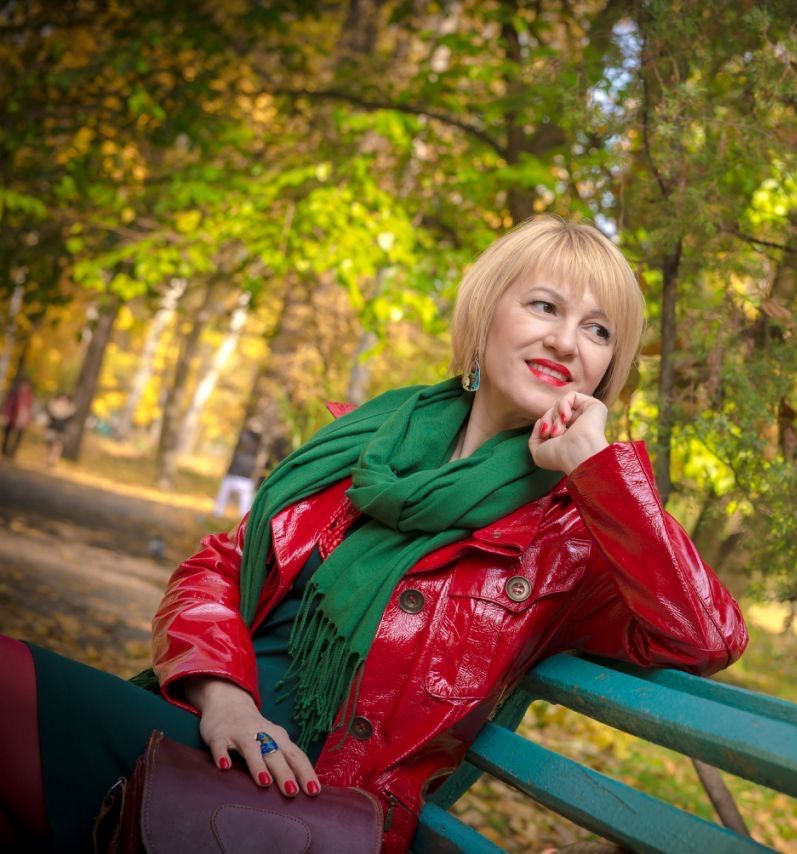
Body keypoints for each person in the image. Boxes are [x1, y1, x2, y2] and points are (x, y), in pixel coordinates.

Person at [0, 216, 748, 852]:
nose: (565, 341)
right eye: (544, 306)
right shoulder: (369, 439)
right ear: (486, 312)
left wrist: (597, 469)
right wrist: (226, 699)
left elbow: (706, 636)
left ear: (608, 367)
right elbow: (219, 567)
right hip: (209, 728)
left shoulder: (571, 535)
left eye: (597, 330)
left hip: (312, 802)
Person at [213, 423, 264, 517]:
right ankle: (219, 513)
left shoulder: (252, 438)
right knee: (240, 499)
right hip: (241, 472)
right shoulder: (256, 440)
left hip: (242, 472)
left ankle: (219, 513)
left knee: (241, 499)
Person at [1, 373, 35, 459]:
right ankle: (5, 450)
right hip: (12, 416)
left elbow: (30, 408)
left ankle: (13, 452)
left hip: (23, 418)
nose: (25, 386)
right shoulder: (14, 394)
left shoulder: (29, 395)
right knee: (8, 434)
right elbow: (8, 404)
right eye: (24, 384)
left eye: (27, 385)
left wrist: (28, 419)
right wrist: (6, 415)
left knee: (19, 436)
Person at [43, 392, 76, 468]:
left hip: (61, 429)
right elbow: (49, 415)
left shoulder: (70, 409)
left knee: (58, 445)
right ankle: (47, 458)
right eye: (62, 398)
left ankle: (52, 460)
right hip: (52, 427)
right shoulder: (52, 405)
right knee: (48, 444)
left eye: (65, 398)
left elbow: (70, 419)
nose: (63, 400)